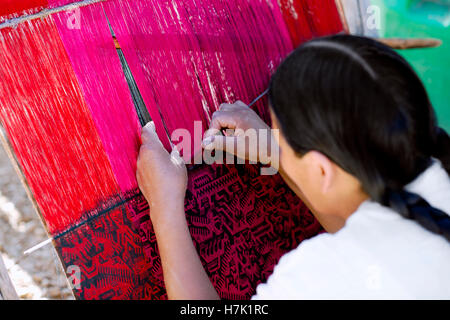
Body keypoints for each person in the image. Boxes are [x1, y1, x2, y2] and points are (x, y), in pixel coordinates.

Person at [136, 35, 450, 299]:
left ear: (323, 171)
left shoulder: (320, 277)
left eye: (282, 143)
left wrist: (165, 207)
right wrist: (280, 155)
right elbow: (375, 236)